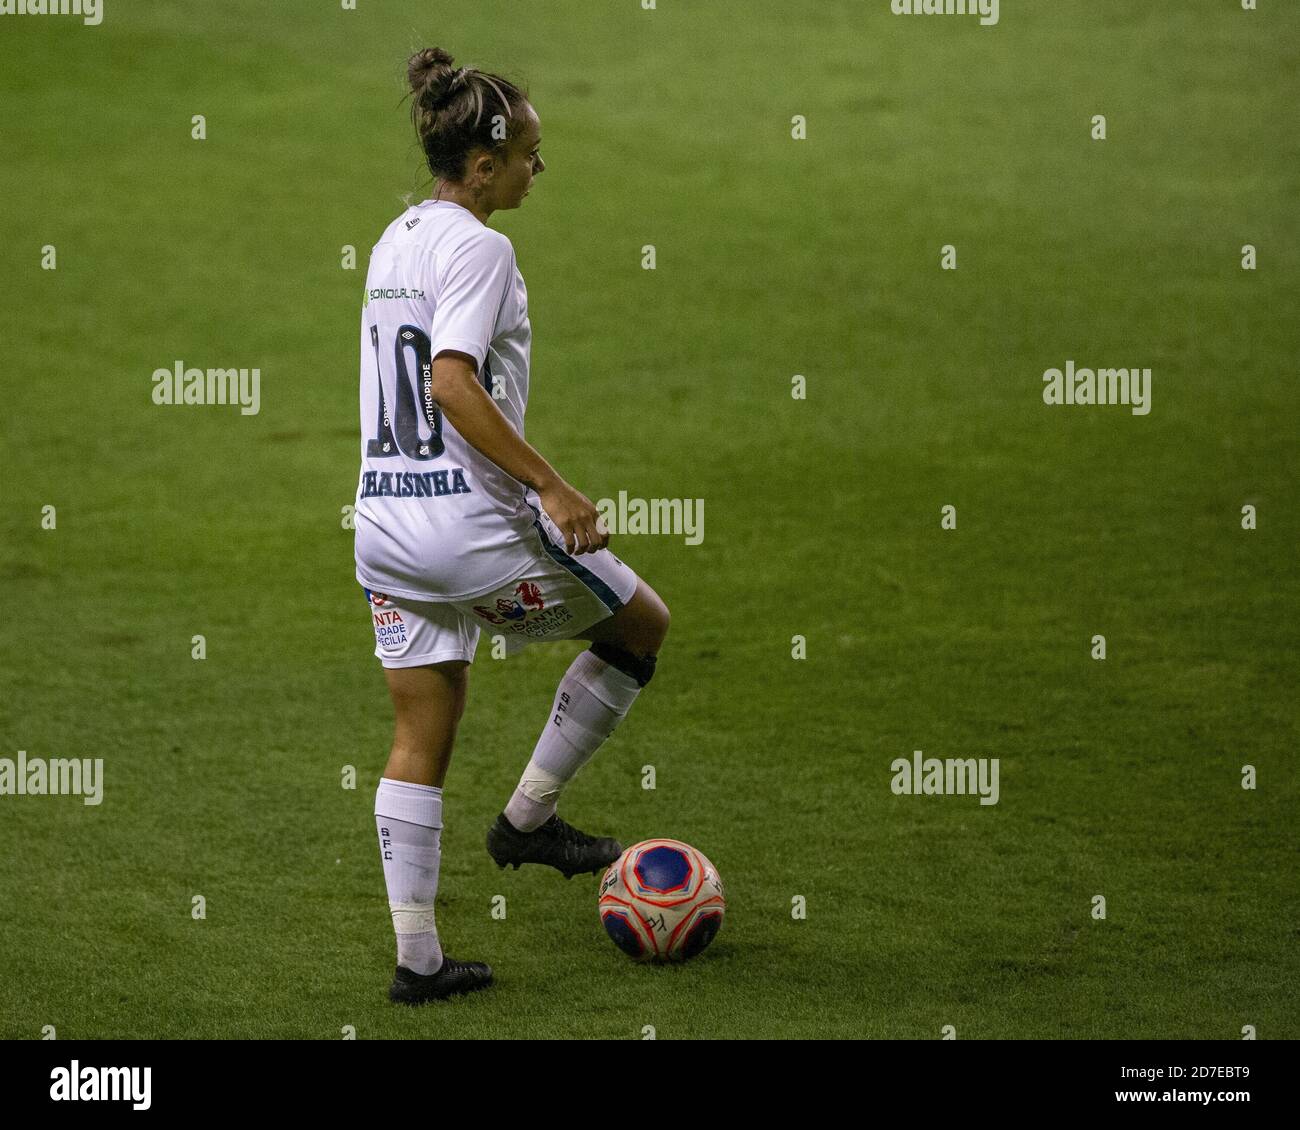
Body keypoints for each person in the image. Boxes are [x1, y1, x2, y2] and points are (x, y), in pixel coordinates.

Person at [354, 47, 670, 1005]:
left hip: (383, 527)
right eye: (531, 153)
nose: (541, 167)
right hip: (468, 530)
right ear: (482, 165)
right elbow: (451, 381)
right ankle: (529, 818)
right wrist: (555, 487)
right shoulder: (483, 248)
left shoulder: (393, 236)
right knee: (642, 626)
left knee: (422, 728)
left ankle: (419, 965)